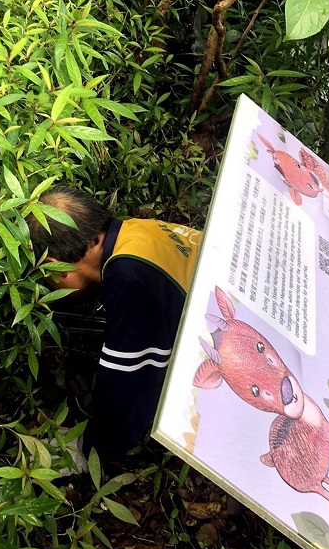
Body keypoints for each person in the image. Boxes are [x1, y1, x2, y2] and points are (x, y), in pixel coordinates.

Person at [27, 187, 201, 463]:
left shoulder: (128, 277)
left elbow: (128, 379)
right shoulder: (135, 230)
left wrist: (94, 448)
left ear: (53, 266)